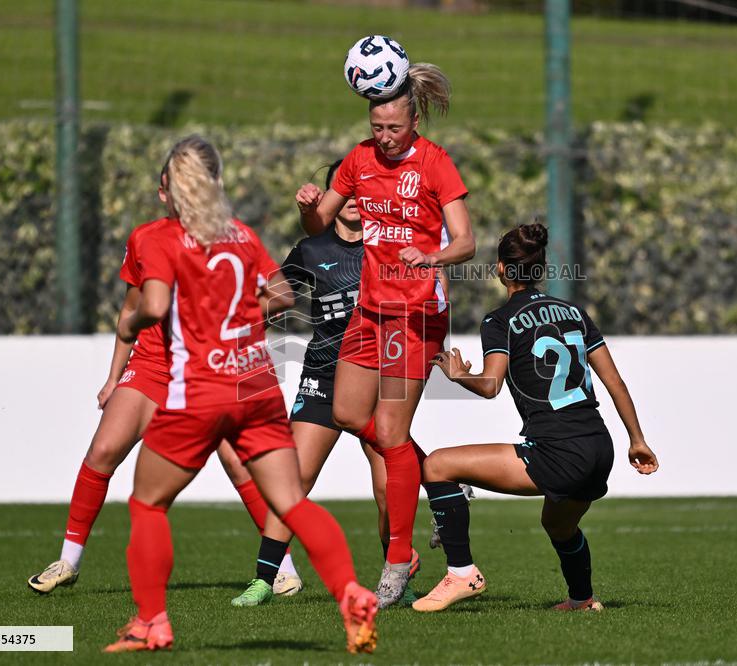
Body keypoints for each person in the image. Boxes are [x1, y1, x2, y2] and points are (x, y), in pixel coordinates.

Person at [102, 136, 377, 653]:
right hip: (253, 385)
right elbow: (284, 295)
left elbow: (155, 305)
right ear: (218, 184)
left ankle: (151, 623)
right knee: (291, 500)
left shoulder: (154, 237)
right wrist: (243, 315)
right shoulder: (242, 236)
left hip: (198, 391)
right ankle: (350, 593)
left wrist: (130, 318)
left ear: (170, 190)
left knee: (148, 503)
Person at [27, 160, 300, 596]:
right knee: (103, 449)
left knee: (237, 462)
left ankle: (282, 567)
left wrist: (236, 320)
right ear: (163, 194)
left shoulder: (233, 236)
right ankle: (68, 561)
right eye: (175, 187)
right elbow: (131, 309)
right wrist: (113, 377)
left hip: (211, 368)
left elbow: (283, 294)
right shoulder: (148, 238)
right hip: (153, 364)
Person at [296, 63, 476, 607]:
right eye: (377, 128)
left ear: (412, 119)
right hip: (371, 311)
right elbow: (318, 225)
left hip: (416, 314)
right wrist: (308, 207)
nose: (385, 137)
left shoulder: (436, 163)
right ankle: (439, 479)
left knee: (391, 433)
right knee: (349, 414)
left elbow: (466, 242)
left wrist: (433, 254)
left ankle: (399, 559)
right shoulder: (357, 159)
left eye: (393, 128)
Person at [411, 223, 660, 613]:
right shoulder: (574, 312)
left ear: (501, 270)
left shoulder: (500, 321)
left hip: (557, 451)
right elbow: (616, 383)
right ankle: (582, 599)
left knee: (438, 465)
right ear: (540, 269)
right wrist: (638, 440)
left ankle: (462, 572)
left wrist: (458, 375)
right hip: (599, 447)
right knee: (558, 525)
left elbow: (492, 385)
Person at [230, 159, 403, 606]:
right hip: (324, 376)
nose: (352, 201)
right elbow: (275, 301)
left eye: (360, 191)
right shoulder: (311, 250)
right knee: (293, 480)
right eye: (341, 193)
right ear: (331, 199)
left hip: (381, 378)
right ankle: (265, 579)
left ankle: (394, 577)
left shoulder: (388, 248)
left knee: (387, 486)